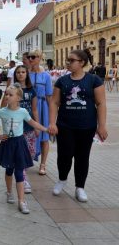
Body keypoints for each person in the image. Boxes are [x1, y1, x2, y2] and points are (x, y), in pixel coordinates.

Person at [48, 50, 108, 202]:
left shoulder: (94, 80)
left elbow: (101, 104)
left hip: (86, 126)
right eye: (67, 60)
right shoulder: (62, 81)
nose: (68, 62)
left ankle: (80, 187)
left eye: (71, 60)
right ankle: (62, 180)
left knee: (82, 157)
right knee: (64, 155)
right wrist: (52, 123)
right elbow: (54, 102)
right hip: (65, 125)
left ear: (82, 62)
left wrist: (102, 126)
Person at [0, 83, 48, 214]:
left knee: (19, 172)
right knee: (9, 170)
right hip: (7, 144)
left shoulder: (23, 112)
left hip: (20, 144)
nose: (7, 96)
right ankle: (9, 192)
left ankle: (21, 201)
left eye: (10, 94)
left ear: (18, 98)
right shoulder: (2, 111)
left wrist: (45, 129)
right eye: (6, 94)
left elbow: (32, 123)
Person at [13, 65, 39, 194]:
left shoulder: (31, 90)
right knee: (20, 155)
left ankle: (22, 174)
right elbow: (6, 106)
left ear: (26, 74)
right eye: (18, 72)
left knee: (29, 154)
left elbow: (34, 109)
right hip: (16, 128)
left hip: (29, 127)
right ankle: (24, 180)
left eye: (23, 72)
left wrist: (37, 126)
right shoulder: (13, 89)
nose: (21, 74)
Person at [28, 50, 53, 175]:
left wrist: (53, 116)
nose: (31, 59)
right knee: (27, 135)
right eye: (29, 57)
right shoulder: (26, 74)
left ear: (39, 58)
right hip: (29, 107)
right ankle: (26, 160)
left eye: (33, 57)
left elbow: (49, 96)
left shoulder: (46, 76)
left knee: (44, 137)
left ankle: (43, 164)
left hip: (43, 108)